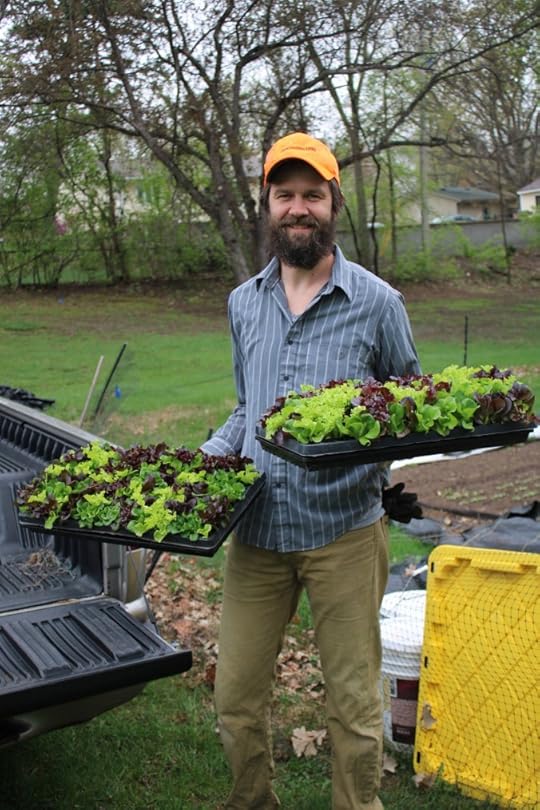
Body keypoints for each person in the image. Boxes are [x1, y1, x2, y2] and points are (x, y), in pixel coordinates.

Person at [201, 132, 421, 810]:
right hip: (258, 535)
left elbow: (409, 404)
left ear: (333, 205)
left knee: (354, 709)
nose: (299, 208)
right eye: (285, 194)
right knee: (236, 700)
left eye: (313, 195)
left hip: (344, 533)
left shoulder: (377, 301)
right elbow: (248, 408)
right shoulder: (244, 303)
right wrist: (194, 473)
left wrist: (372, 457)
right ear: (268, 205)